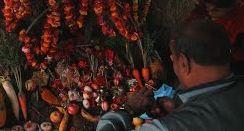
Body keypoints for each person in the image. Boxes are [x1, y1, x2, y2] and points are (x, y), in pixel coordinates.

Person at [96, 20, 244, 131]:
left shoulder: (166, 128)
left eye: (173, 58)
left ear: (184, 63)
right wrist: (180, 106)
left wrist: (128, 109)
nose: (172, 61)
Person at [186, 0, 244, 74]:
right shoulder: (208, 6)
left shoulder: (239, 23)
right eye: (207, 8)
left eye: (215, 10)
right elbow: (191, 21)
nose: (209, 12)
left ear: (232, 7)